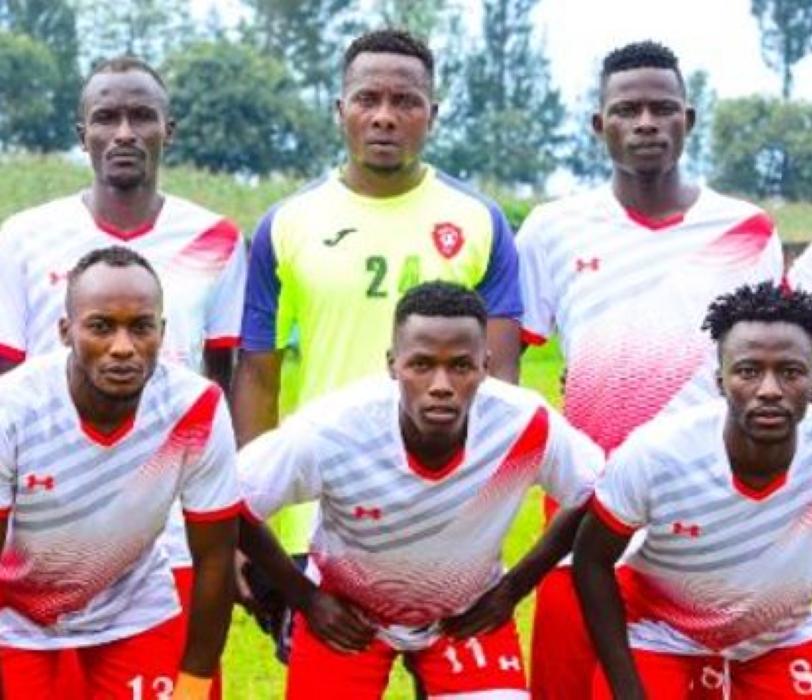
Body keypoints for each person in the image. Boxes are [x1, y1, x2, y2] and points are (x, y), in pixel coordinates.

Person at [515, 41, 783, 698]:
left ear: (687, 120)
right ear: (596, 124)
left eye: (661, 109)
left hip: (708, 517)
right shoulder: (551, 229)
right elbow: (503, 370)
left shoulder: (746, 230)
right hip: (583, 509)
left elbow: (776, 372)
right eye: (626, 109)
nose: (644, 123)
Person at [0, 55, 246, 697]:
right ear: (83, 134)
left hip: (170, 537)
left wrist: (231, 527)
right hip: (49, 542)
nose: (124, 132)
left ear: (168, 130)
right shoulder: (25, 236)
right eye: (106, 117)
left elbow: (223, 382)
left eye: (141, 116)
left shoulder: (216, 238)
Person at [232, 28, 523, 609]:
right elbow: (258, 379)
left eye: (405, 101)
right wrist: (247, 519)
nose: (385, 116)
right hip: (319, 518)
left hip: (447, 517)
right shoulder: (287, 225)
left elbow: (502, 386)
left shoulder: (481, 222)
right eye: (368, 99)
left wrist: (485, 514)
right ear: (341, 110)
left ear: (432, 114)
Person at [236, 282, 600, 698]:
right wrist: (304, 596)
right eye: (422, 365)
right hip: (347, 612)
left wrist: (513, 589)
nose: (441, 384)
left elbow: (598, 494)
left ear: (485, 364)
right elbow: (230, 499)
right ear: (393, 365)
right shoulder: (333, 429)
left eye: (461, 366)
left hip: (465, 614)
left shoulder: (524, 424)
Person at [0, 247, 239, 700]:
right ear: (66, 331)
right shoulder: (4, 411)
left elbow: (216, 557)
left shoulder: (196, 407)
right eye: (101, 327)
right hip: (17, 615)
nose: (122, 347)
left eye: (141, 327)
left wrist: (194, 685)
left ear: (162, 332)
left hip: (134, 604)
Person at [574, 281, 812, 698]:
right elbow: (592, 563)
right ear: (720, 380)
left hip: (783, 637)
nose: (769, 390)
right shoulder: (658, 455)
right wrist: (627, 688)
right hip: (662, 635)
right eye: (749, 371)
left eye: (790, 372)